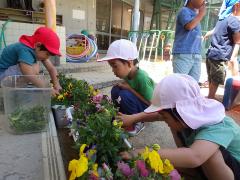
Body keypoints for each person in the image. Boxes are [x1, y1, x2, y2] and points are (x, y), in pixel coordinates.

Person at [121, 73, 240, 180]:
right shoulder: (184, 116)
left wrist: (141, 153)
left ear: (180, 111)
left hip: (234, 171)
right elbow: (158, 115)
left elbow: (195, 156)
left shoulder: (219, 125)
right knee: (163, 161)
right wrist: (132, 118)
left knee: (209, 154)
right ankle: (198, 173)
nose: (164, 119)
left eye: (165, 116)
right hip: (208, 166)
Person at [97, 39, 155, 136]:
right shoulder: (128, 74)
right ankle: (121, 115)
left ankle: (137, 123)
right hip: (136, 103)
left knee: (125, 94)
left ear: (129, 63)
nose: (113, 71)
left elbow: (151, 104)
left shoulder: (142, 78)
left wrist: (129, 89)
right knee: (116, 89)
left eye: (115, 66)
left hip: (146, 109)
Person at [0, 26, 62, 96]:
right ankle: (16, 91)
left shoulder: (36, 50)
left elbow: (51, 68)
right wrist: (47, 89)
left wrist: (57, 84)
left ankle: (19, 87)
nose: (47, 57)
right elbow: (29, 74)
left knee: (34, 68)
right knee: (34, 68)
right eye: (47, 54)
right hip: (3, 77)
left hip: (10, 75)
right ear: (38, 45)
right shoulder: (25, 50)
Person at [206, 1, 240, 99]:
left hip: (211, 54)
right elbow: (238, 41)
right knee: (217, 79)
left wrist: (209, 33)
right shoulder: (234, 21)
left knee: (212, 78)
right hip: (219, 56)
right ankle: (210, 98)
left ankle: (210, 96)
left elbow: (215, 31)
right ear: (237, 6)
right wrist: (233, 58)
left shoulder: (222, 19)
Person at [172, 0, 206, 82]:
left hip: (196, 54)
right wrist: (201, 14)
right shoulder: (184, 11)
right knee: (181, 84)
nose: (204, 2)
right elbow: (189, 26)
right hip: (183, 54)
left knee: (193, 84)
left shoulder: (196, 15)